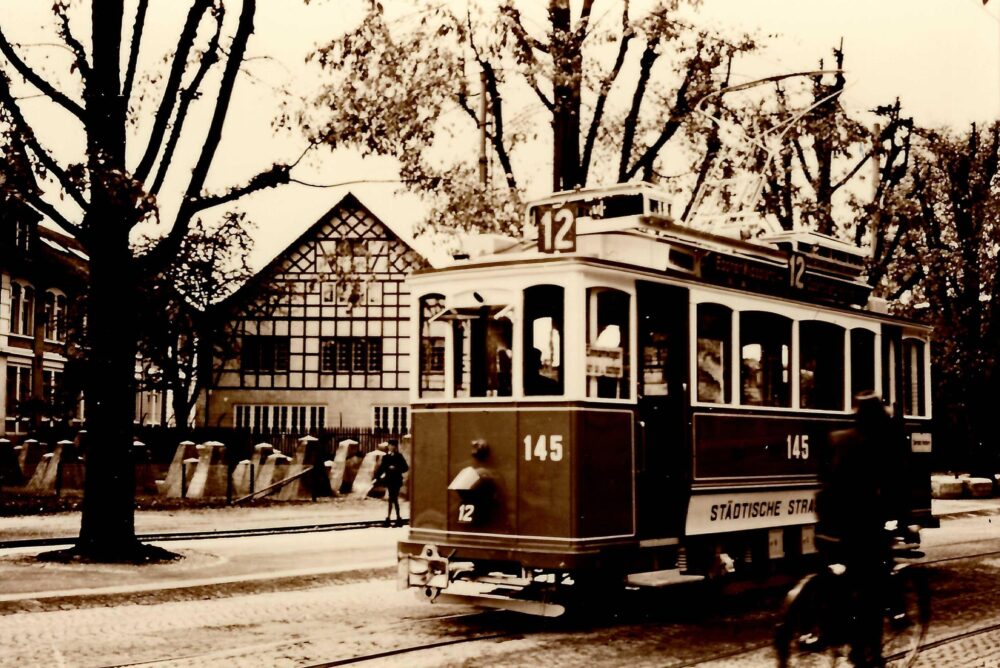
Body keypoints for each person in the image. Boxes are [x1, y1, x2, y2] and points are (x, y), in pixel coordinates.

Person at [815, 392, 899, 667]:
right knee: (871, 591)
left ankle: (822, 628)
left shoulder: (836, 439)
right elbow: (890, 490)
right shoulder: (878, 445)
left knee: (835, 580)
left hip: (827, 531)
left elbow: (824, 480)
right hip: (861, 533)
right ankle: (869, 655)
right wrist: (900, 520)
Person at [374, 439, 409, 526]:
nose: (390, 447)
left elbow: (405, 467)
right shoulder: (386, 457)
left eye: (392, 445)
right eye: (389, 445)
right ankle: (396, 518)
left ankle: (392, 518)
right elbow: (382, 468)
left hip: (396, 480)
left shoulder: (399, 456)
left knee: (393, 498)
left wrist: (396, 468)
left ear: (395, 447)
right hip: (389, 480)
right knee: (392, 498)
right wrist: (377, 477)